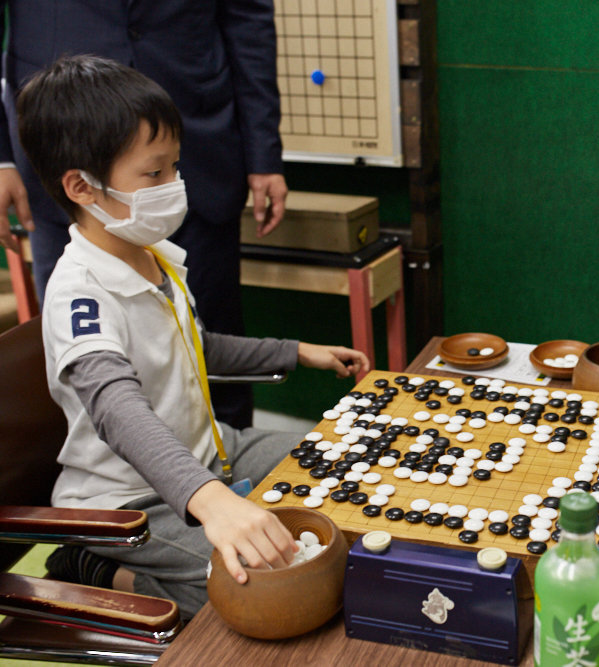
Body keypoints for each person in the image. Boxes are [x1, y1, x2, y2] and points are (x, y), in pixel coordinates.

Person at [18, 56, 369, 620]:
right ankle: (94, 566)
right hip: (129, 501)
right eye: (153, 175)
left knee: (345, 468)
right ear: (82, 186)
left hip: (212, 452)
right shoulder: (78, 295)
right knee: (262, 585)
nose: (173, 186)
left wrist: (296, 352)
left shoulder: (155, 258)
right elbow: (117, 409)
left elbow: (193, 348)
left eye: (174, 168)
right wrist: (214, 503)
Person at [0, 0, 289, 429]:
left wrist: (263, 152)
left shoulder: (173, 177)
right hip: (63, 142)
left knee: (208, 338)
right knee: (88, 372)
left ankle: (233, 475)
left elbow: (246, 18)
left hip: (198, 137)